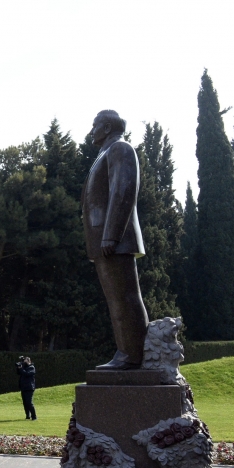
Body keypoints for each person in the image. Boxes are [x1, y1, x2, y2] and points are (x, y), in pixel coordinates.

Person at [82, 110, 149, 370]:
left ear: (107, 127)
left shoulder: (120, 149)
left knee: (124, 297)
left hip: (114, 240)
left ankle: (131, 355)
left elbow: (123, 191)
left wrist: (111, 234)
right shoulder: (106, 153)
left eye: (95, 125)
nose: (92, 131)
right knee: (116, 299)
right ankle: (126, 352)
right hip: (104, 241)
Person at [16, 356, 37, 420]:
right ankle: (27, 415)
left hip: (29, 387)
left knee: (29, 402)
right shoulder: (24, 368)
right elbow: (18, 373)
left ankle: (34, 416)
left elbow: (26, 374)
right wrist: (18, 367)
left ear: (29, 361)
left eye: (25, 362)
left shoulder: (32, 367)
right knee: (25, 402)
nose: (24, 363)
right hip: (23, 387)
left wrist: (21, 368)